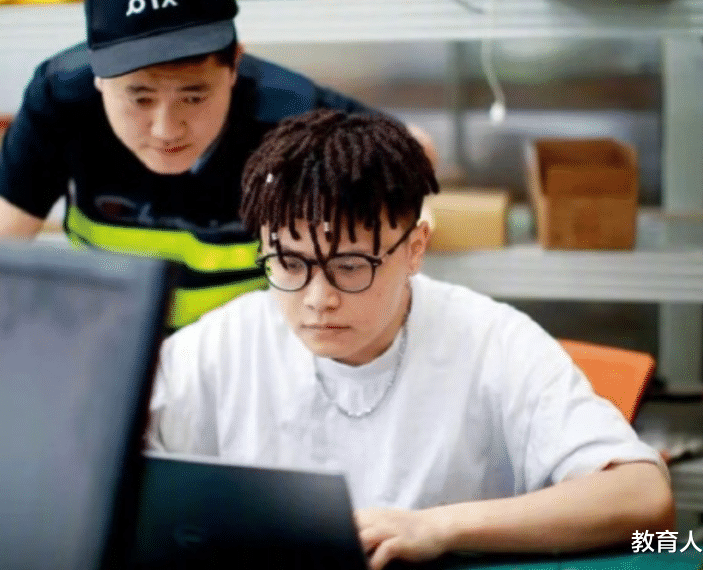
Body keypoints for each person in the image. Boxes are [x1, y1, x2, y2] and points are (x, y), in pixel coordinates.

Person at [148, 109, 675, 570]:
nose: (317, 298)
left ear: (415, 248)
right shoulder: (222, 345)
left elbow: (642, 497)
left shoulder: (491, 341)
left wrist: (436, 527)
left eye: (350, 266)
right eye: (288, 263)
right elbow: (115, 468)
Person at [0, 0, 435, 329]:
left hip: (242, 355)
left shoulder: (287, 112)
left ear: (234, 66)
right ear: (98, 77)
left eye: (194, 96)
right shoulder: (60, 101)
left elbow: (414, 150)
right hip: (111, 340)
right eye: (140, 98)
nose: (166, 129)